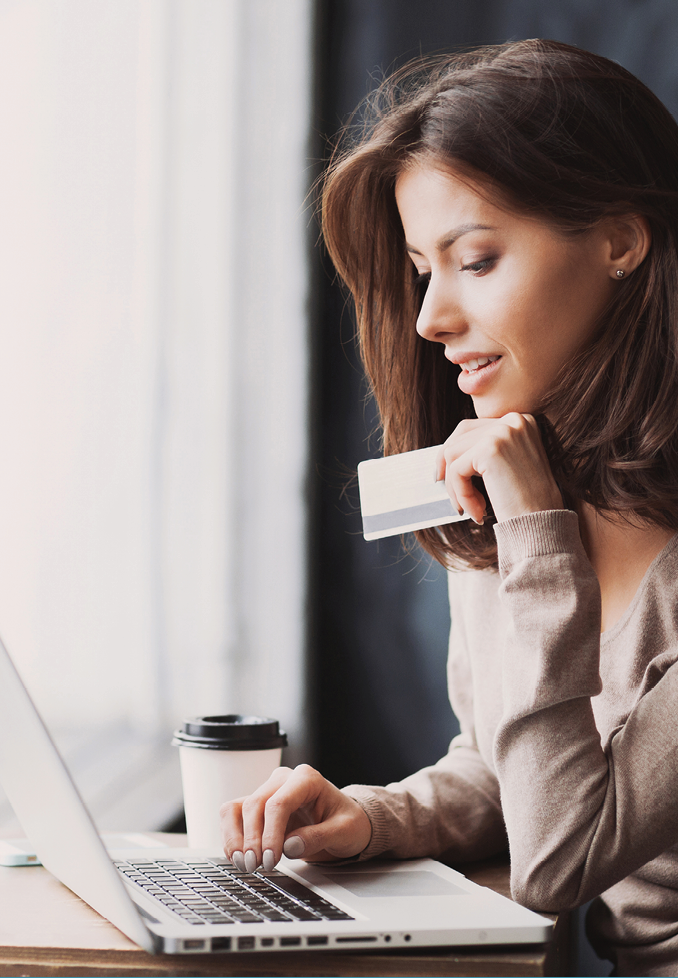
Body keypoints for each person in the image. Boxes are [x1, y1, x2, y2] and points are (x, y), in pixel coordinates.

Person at [220, 39, 678, 975]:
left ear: (621, 241)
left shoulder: (530, 515)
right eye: (421, 269)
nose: (429, 317)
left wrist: (539, 541)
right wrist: (376, 816)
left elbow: (559, 859)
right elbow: (511, 767)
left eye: (475, 260)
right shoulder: (516, 490)